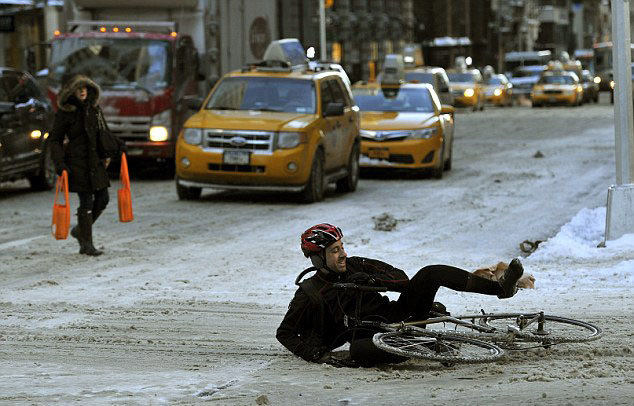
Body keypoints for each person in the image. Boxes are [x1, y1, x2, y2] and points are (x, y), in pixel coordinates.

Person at [276, 223, 525, 368]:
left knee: (430, 273)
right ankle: (425, 344)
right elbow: (285, 333)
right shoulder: (310, 292)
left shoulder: (356, 265)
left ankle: (500, 289)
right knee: (360, 352)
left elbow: (402, 280)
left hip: (402, 315)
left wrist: (374, 281)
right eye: (334, 251)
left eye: (342, 247)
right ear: (318, 258)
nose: (342, 254)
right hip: (372, 336)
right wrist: (317, 355)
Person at [49, 75, 124, 256]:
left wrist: (118, 146)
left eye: (86, 88)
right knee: (86, 202)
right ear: (72, 91)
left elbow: (104, 132)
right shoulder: (66, 112)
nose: (83, 91)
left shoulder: (94, 109)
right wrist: (59, 164)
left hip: (95, 161)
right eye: (79, 88)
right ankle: (87, 244)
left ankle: (80, 231)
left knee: (103, 199)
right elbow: (55, 140)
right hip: (77, 162)